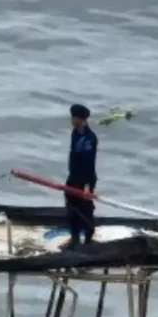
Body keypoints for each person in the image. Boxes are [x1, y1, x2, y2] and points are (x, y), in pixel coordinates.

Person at [64, 103, 98, 249]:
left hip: (85, 179)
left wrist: (88, 186)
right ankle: (75, 238)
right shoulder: (75, 133)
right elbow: (73, 156)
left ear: (82, 119)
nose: (72, 120)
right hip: (73, 177)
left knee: (85, 209)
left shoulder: (90, 139)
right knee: (71, 208)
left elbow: (89, 163)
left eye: (74, 117)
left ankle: (88, 239)